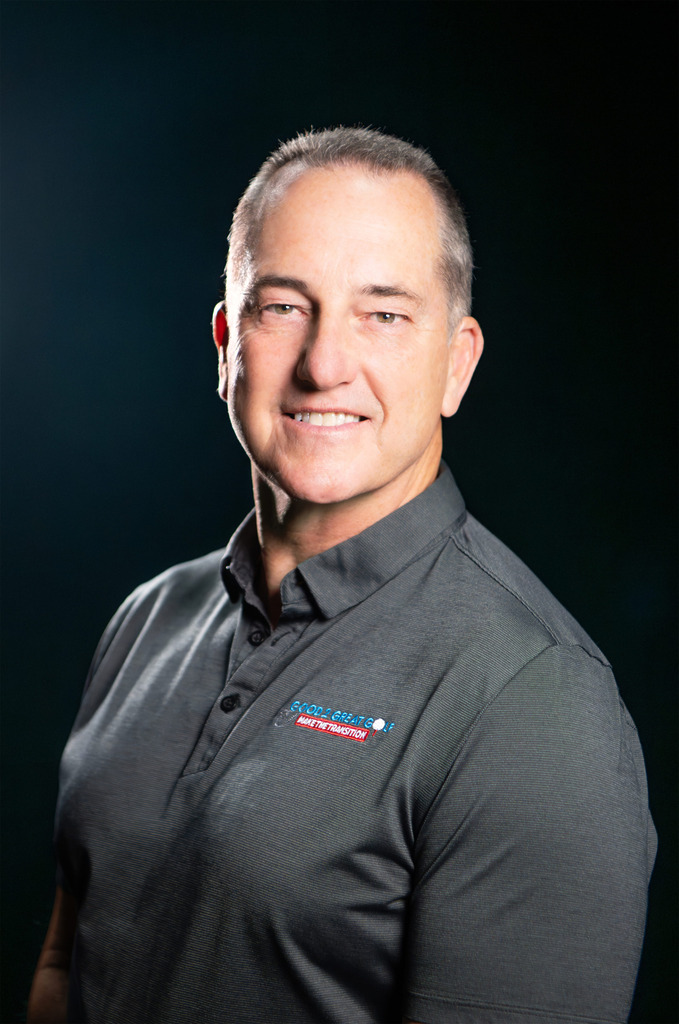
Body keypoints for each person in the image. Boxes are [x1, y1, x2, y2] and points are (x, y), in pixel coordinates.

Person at [28, 127, 656, 1024]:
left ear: (456, 362)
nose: (325, 364)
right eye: (284, 306)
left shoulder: (533, 702)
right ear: (225, 344)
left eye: (384, 315)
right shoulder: (147, 619)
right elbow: (65, 964)